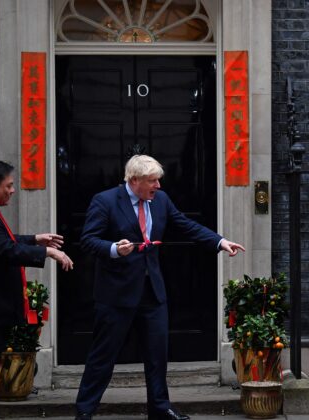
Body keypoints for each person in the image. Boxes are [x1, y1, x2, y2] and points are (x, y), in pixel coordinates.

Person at [75, 155, 244, 420]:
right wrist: (114, 249)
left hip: (152, 291)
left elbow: (184, 224)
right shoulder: (105, 201)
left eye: (158, 180)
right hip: (116, 294)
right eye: (153, 181)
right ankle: (85, 410)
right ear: (135, 180)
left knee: (157, 354)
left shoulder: (161, 201)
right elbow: (87, 240)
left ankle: (160, 407)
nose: (158, 186)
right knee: (103, 356)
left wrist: (219, 242)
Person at [0, 160, 74, 420]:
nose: (12, 191)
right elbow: (5, 250)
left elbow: (2, 240)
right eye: (8, 186)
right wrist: (47, 251)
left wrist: (33, 239)